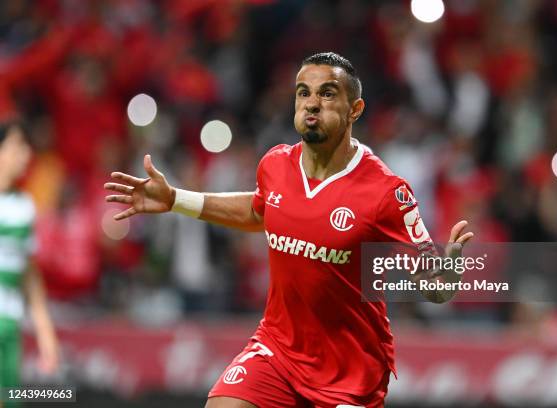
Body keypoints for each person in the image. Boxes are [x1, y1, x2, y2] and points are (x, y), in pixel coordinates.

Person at [105, 52, 473, 408]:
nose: (312, 103)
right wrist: (174, 199)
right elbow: (259, 211)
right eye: (303, 92)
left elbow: (435, 285)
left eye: (327, 93)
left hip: (349, 374)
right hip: (278, 349)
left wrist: (449, 276)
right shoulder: (275, 164)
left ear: (354, 110)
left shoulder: (387, 192)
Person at [0, 122, 59, 407]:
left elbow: (29, 275)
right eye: (17, 146)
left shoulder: (24, 206)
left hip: (9, 323)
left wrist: (45, 333)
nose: (25, 154)